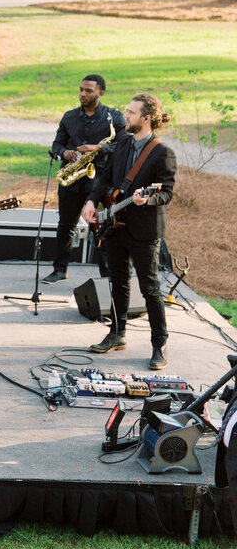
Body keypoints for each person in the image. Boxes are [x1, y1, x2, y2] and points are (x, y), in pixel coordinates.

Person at [82, 93, 176, 370]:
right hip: (115, 226)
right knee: (117, 281)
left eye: (132, 113)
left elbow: (167, 192)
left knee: (150, 289)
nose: (126, 116)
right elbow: (106, 178)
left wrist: (147, 199)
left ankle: (159, 345)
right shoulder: (123, 143)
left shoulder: (162, 152)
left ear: (146, 118)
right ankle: (117, 334)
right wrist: (91, 201)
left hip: (144, 230)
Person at [44, 74, 125, 284]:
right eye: (81, 89)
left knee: (102, 227)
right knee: (66, 225)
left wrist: (99, 147)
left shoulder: (114, 118)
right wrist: (65, 153)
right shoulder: (69, 117)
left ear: (101, 92)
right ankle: (60, 270)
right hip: (72, 178)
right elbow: (56, 145)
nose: (82, 94)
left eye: (88, 90)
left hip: (101, 180)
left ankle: (107, 275)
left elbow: (123, 145)